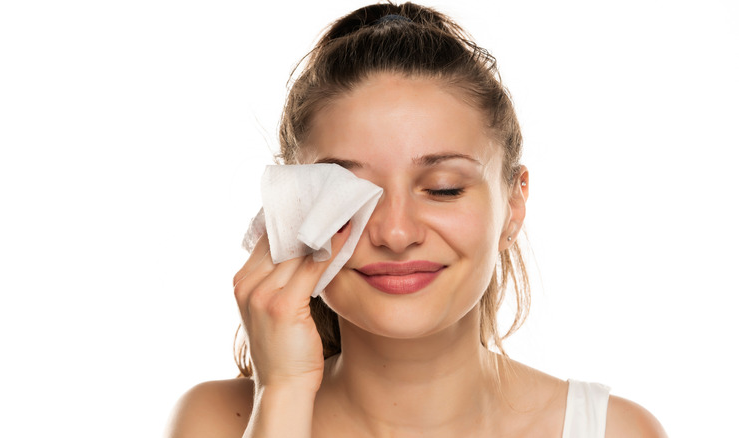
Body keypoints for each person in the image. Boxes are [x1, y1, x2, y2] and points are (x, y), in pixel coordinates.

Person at [167, 2, 667, 437]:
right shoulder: (218, 423)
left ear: (513, 206)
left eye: (444, 189)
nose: (396, 233)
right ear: (293, 207)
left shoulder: (613, 431)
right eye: (352, 194)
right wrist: (284, 394)